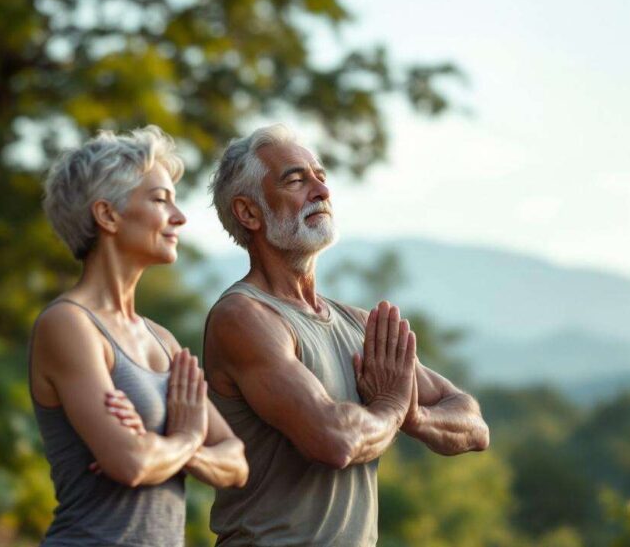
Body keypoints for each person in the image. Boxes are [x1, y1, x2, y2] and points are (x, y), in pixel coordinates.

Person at [203, 124, 490, 546]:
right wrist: (393, 406)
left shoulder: (355, 324)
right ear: (249, 212)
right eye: (296, 180)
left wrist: (416, 417)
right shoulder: (243, 318)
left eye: (320, 176)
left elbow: (474, 425)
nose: (321, 191)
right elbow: (333, 440)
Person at [30, 126, 248, 546]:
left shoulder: (162, 340)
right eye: (161, 200)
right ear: (107, 215)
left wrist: (166, 447)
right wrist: (185, 437)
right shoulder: (69, 325)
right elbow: (129, 462)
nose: (180, 217)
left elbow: (237, 461)